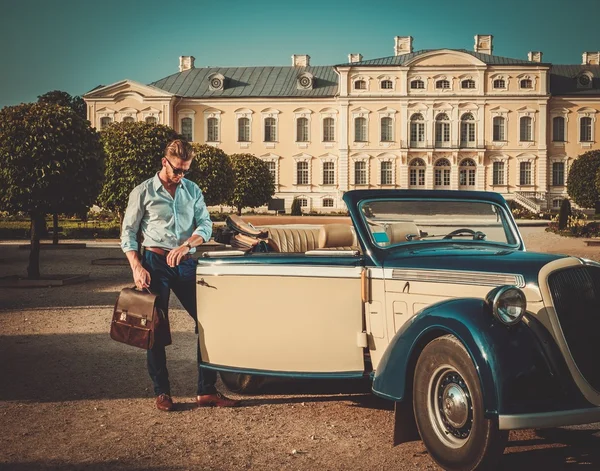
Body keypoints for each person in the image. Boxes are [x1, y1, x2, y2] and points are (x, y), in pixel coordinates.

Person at [121, 139, 238, 411]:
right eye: (177, 170)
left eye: (185, 170)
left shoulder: (192, 190)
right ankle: (162, 392)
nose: (180, 175)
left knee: (209, 320)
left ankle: (206, 391)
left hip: (185, 262)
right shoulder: (143, 192)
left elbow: (205, 225)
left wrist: (187, 245)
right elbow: (128, 233)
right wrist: (137, 266)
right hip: (154, 263)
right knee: (154, 328)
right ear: (165, 162)